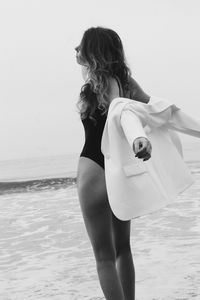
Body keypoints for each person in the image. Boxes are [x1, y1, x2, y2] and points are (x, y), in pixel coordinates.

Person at [75, 26, 152, 300]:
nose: (76, 50)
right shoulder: (127, 83)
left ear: (93, 51)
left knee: (104, 257)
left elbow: (122, 117)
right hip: (120, 171)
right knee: (123, 248)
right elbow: (152, 110)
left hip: (93, 170)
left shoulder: (93, 86)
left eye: (81, 46)